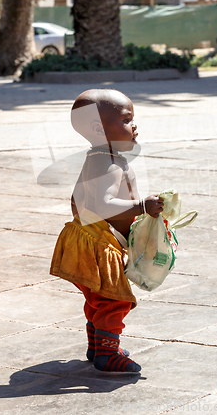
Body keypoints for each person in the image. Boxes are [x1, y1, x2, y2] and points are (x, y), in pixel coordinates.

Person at [50, 89, 164, 374]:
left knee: (97, 298)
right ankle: (107, 354)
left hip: (87, 239)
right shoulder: (109, 163)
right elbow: (102, 204)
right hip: (99, 246)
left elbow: (77, 199)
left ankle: (98, 345)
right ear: (99, 128)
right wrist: (141, 206)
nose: (134, 125)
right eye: (127, 120)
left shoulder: (99, 157)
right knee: (115, 299)